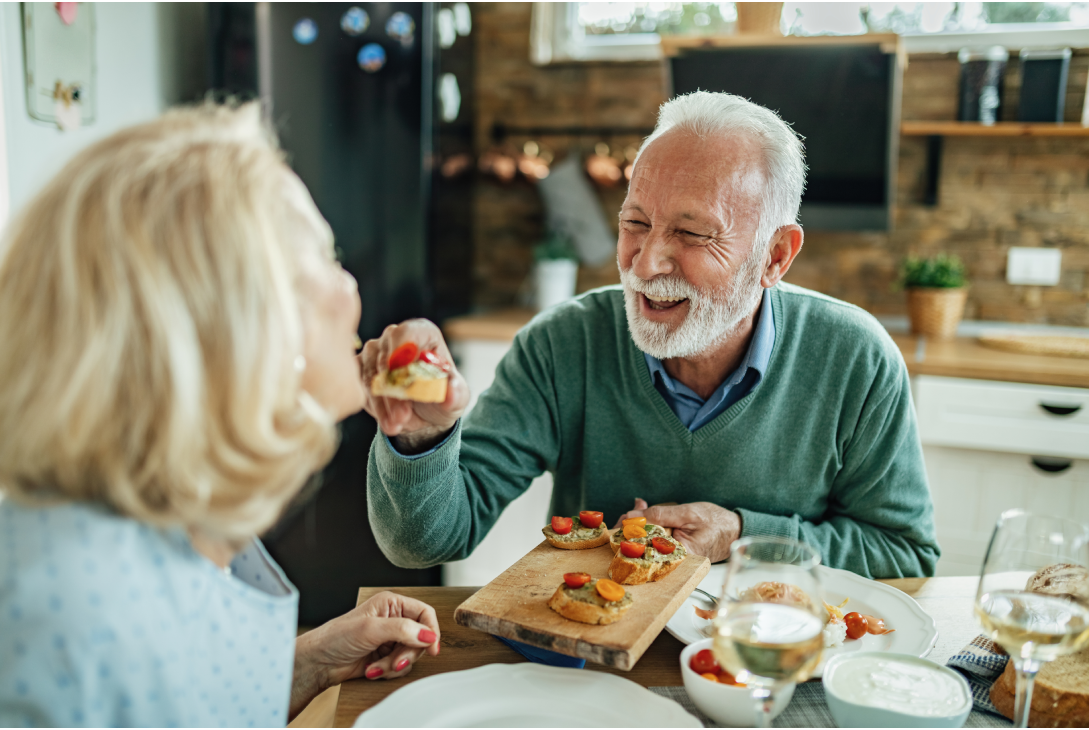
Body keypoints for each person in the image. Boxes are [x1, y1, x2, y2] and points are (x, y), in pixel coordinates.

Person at [361, 91, 940, 578]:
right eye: (635, 223)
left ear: (775, 256)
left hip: (765, 667)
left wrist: (740, 537)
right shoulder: (563, 345)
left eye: (692, 233)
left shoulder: (856, 358)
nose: (646, 263)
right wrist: (421, 441)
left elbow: (906, 557)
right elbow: (426, 543)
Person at [0, 104, 439, 727]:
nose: (350, 288)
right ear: (240, 329)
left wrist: (308, 665)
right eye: (326, 254)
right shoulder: (58, 626)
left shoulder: (176, 520)